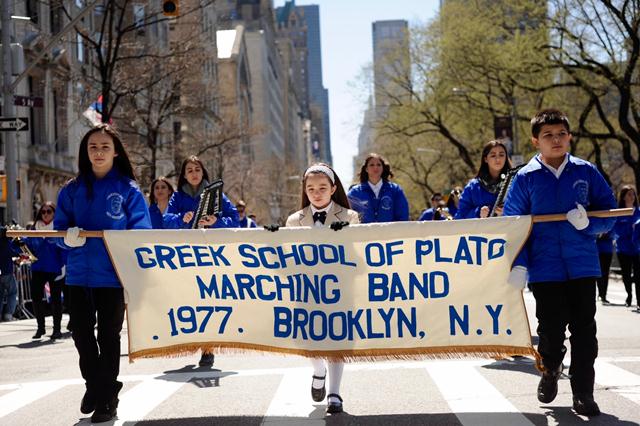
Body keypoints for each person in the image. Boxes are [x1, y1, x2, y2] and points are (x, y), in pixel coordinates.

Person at [503, 108, 616, 417]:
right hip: (544, 268)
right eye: (548, 136)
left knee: (585, 331)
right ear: (535, 141)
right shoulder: (525, 178)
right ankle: (550, 368)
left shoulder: (586, 172)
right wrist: (520, 264)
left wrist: (588, 225)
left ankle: (583, 392)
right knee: (551, 331)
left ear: (570, 137)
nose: (556, 140)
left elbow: (609, 214)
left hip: (582, 265)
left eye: (561, 134)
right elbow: (513, 226)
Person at [54, 123, 151, 423]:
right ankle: (97, 386)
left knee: (108, 336)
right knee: (80, 333)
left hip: (112, 275)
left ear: (116, 152)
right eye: (93, 147)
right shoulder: (71, 189)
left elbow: (141, 231)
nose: (98, 152)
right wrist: (65, 237)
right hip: (79, 275)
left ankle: (106, 398)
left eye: (105, 147)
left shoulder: (128, 190)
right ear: (85, 151)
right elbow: (59, 228)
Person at [281, 163, 359, 414]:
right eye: (311, 188)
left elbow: (356, 253)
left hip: (339, 288)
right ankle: (318, 371)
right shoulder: (294, 220)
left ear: (333, 189)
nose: (317, 193)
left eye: (323, 187)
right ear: (305, 190)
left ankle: (335, 393)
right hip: (307, 288)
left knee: (337, 338)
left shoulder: (350, 217)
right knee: (308, 338)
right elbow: (289, 256)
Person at [166, 155, 239, 367]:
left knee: (208, 299)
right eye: (189, 170)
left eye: (197, 169)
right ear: (184, 175)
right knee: (189, 299)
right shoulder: (178, 197)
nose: (194, 173)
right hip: (186, 256)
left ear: (203, 172)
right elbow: (166, 221)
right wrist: (181, 219)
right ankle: (191, 338)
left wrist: (216, 221)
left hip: (211, 255)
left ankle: (208, 348)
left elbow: (234, 219)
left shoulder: (216, 195)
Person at [25, 202, 66, 339]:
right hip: (38, 267)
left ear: (54, 212)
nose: (46, 214)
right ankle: (40, 328)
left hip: (55, 268)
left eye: (49, 211)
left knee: (56, 299)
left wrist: (64, 267)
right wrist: (18, 243)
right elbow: (27, 244)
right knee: (36, 297)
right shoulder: (34, 229)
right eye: (43, 212)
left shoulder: (59, 227)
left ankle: (57, 329)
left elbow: (64, 248)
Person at [455, 140, 512, 219]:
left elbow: (524, 209)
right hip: (482, 231)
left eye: (501, 155)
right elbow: (460, 216)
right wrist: (478, 212)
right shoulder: (473, 187)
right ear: (485, 159)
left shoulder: (514, 183)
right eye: (493, 155)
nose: (498, 159)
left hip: (508, 230)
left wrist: (507, 211)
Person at [347, 153, 409, 223]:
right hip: (365, 233)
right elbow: (347, 216)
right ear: (366, 169)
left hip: (390, 233)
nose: (375, 167)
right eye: (371, 165)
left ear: (383, 168)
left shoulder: (395, 190)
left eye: (379, 165)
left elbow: (403, 217)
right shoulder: (354, 193)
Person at [613, 185, 640, 308]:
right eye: (629, 194)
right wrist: (630, 227)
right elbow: (616, 231)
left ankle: (639, 301)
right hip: (623, 249)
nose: (632, 196)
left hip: (637, 249)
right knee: (626, 275)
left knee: (639, 275)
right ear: (623, 197)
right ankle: (629, 295)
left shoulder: (639, 212)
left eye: (633, 194)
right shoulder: (619, 212)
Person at [0, 229, 20, 321]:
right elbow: (13, 252)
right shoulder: (6, 243)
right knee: (12, 292)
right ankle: (8, 314)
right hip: (6, 272)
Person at [596, 232, 615, 304]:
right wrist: (598, 235)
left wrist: (608, 234)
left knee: (605, 273)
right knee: (599, 273)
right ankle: (600, 293)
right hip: (598, 250)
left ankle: (604, 295)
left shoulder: (609, 221)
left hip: (608, 250)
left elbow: (614, 232)